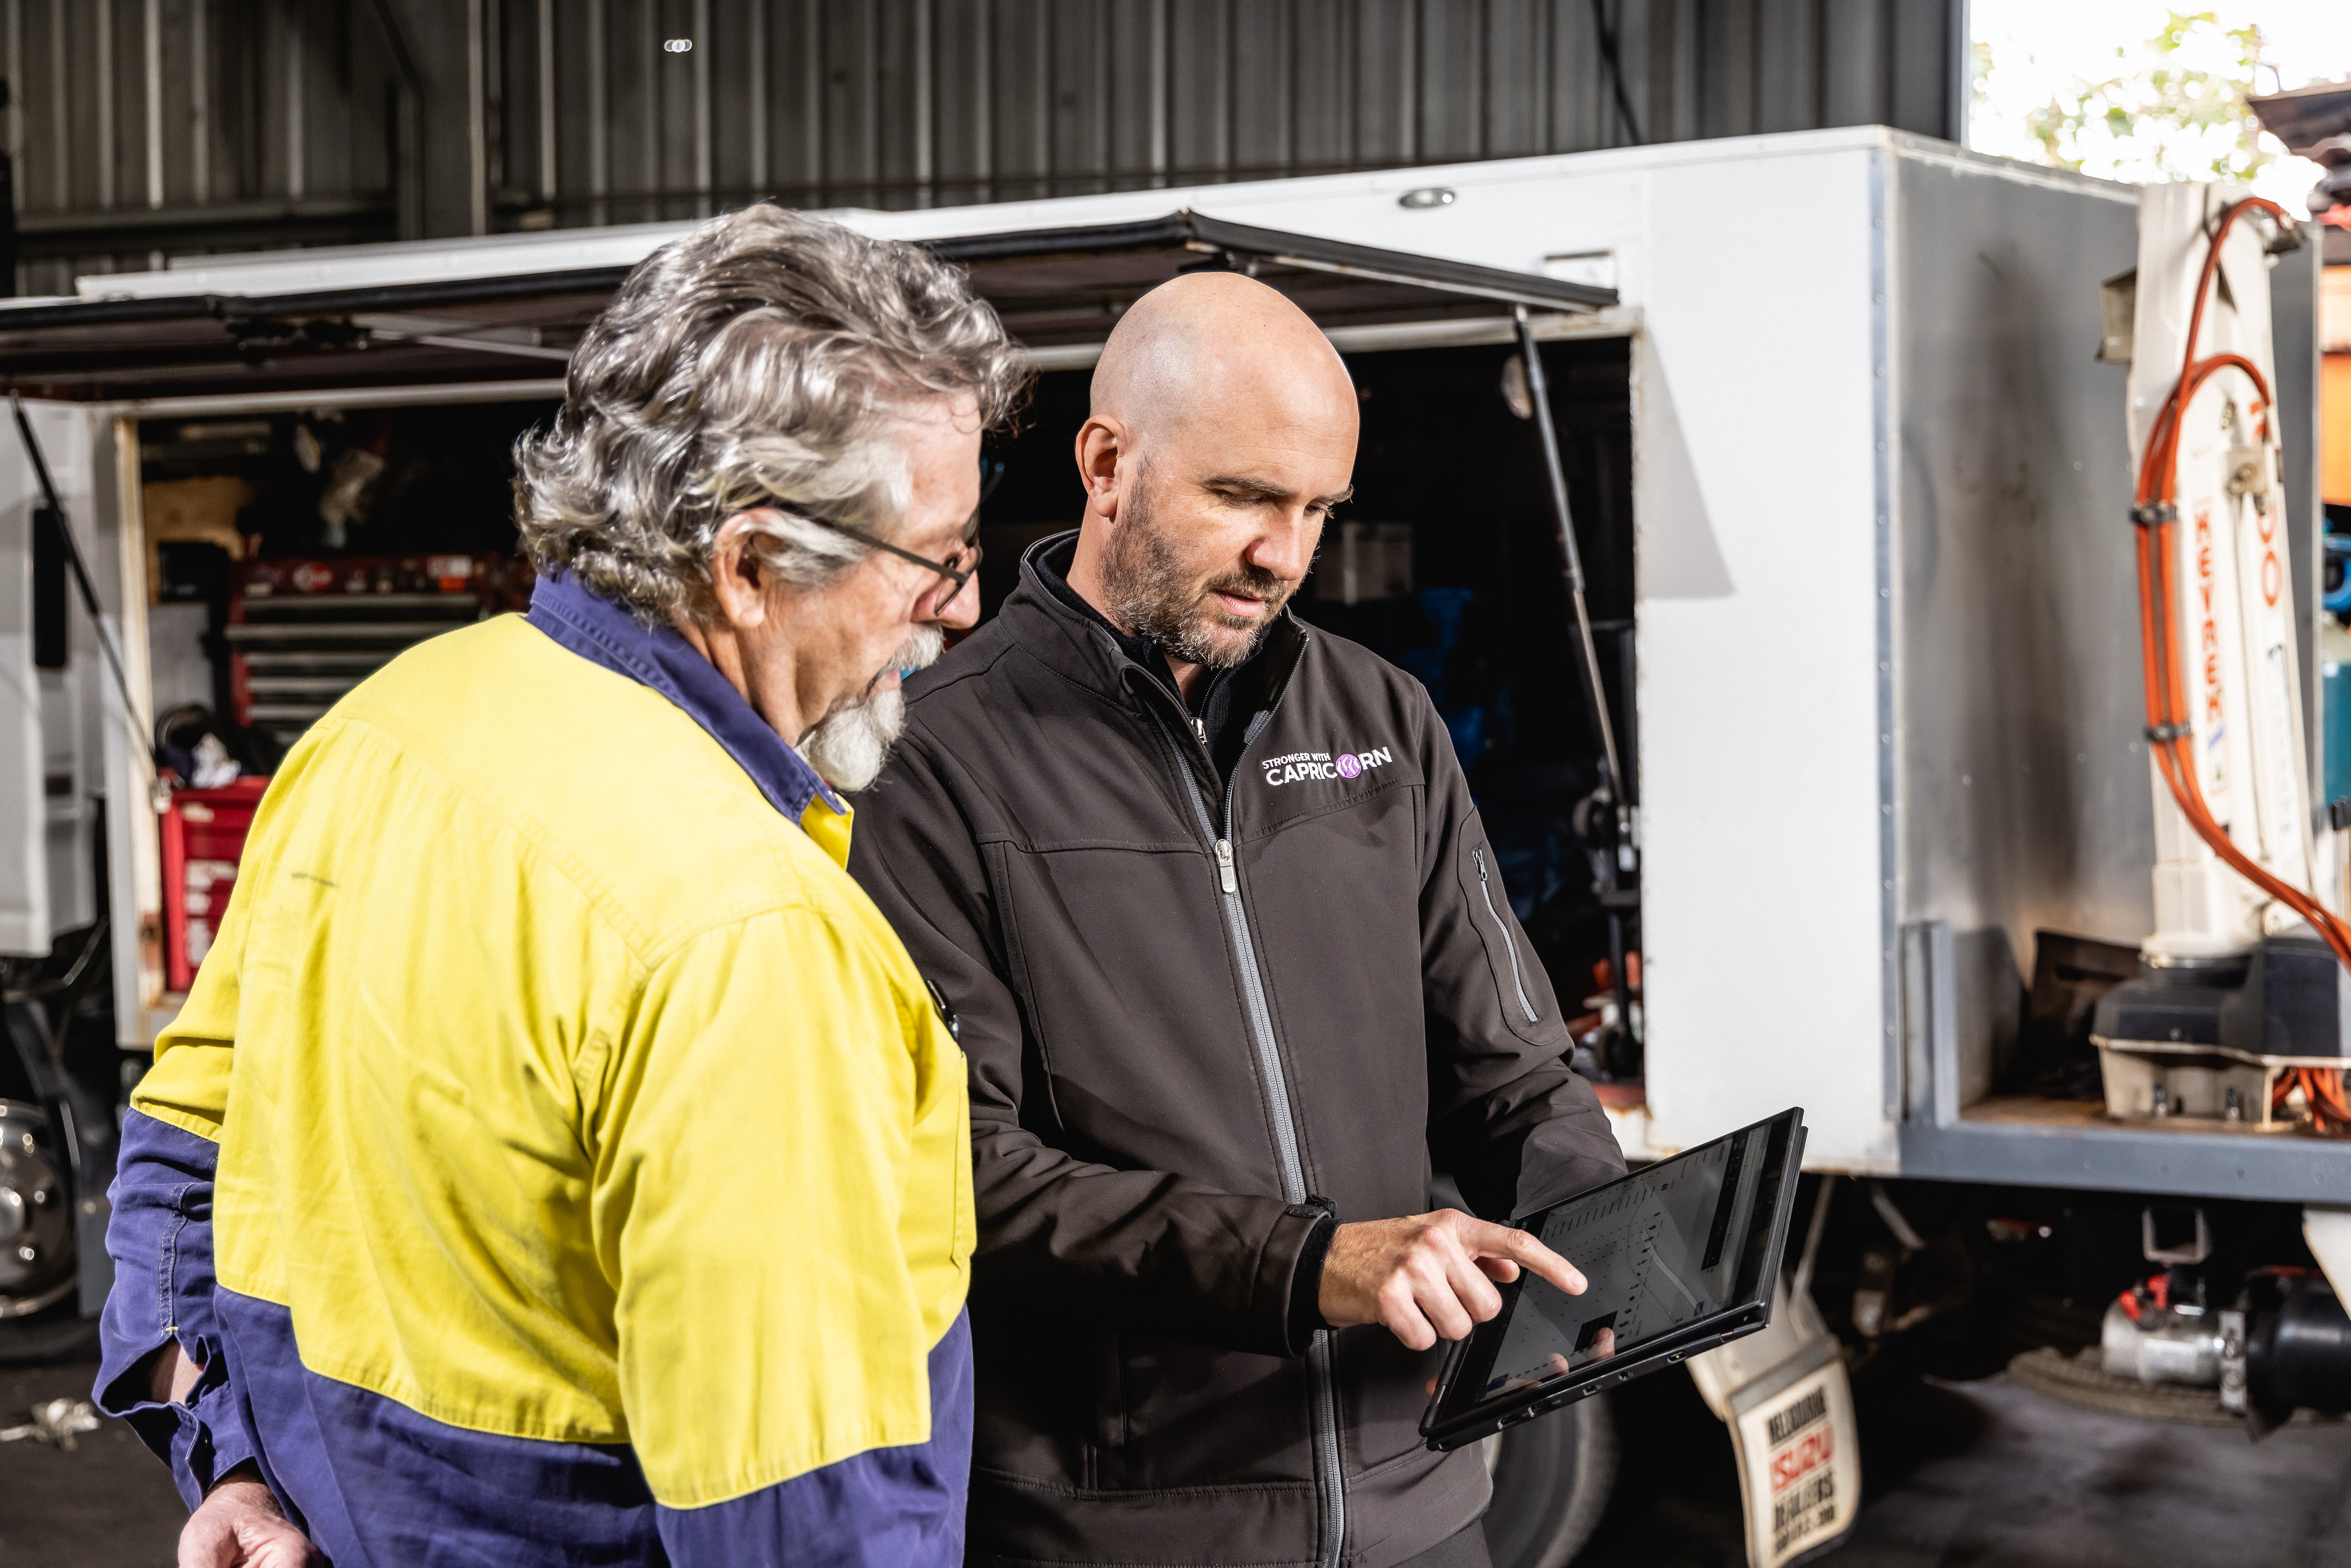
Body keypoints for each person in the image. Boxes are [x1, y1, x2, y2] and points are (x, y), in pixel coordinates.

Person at [93, 205, 1027, 1568]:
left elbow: (180, 1154)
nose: (956, 606)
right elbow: (808, 1526)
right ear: (752, 562)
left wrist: (230, 1466)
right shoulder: (741, 939)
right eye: (937, 555)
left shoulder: (381, 729)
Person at [848, 270, 1629, 1568]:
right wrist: (1311, 1263)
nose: (1285, 554)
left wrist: (1597, 1230)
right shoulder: (930, 759)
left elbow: (1515, 1067)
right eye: (1244, 497)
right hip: (1125, 1526)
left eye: (1317, 508)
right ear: (1107, 462)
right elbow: (961, 1179)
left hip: (1420, 1512)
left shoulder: (1382, 725)